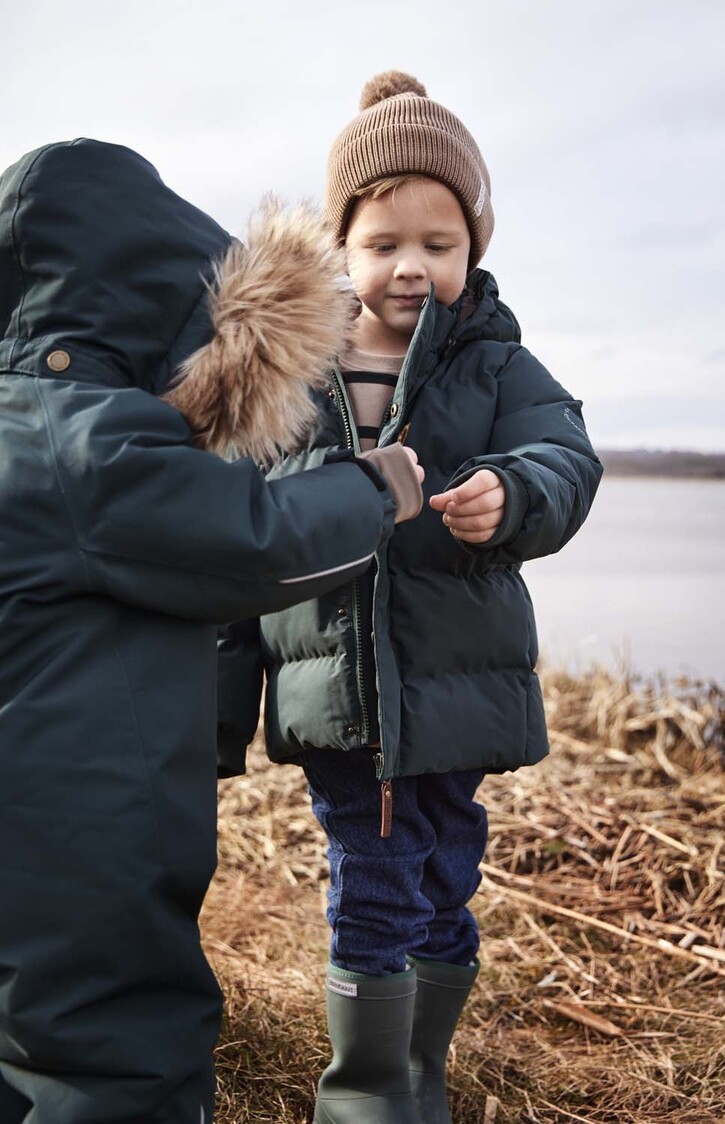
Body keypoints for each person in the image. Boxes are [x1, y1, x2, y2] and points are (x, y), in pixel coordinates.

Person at [0, 137, 424, 1124]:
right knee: (112, 1052)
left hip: (29, 811)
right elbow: (253, 539)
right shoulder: (86, 442)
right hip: (84, 832)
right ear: (142, 306)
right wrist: (375, 485)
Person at [217, 71, 603, 1123]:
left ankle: (421, 1068)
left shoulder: (494, 359)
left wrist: (514, 492)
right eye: (385, 241)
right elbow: (239, 521)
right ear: (342, 245)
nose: (411, 266)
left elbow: (566, 458)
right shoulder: (295, 371)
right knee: (375, 874)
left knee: (446, 871)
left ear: (473, 247)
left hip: (455, 682)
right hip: (342, 690)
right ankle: (370, 1093)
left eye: (439, 243)